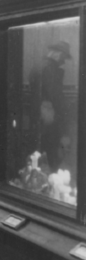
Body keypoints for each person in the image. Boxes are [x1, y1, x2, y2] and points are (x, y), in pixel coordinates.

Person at [38, 40, 72, 171]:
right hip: (50, 117)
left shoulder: (40, 65)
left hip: (41, 117)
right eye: (63, 57)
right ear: (58, 54)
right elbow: (56, 97)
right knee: (52, 152)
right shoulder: (51, 69)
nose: (63, 61)